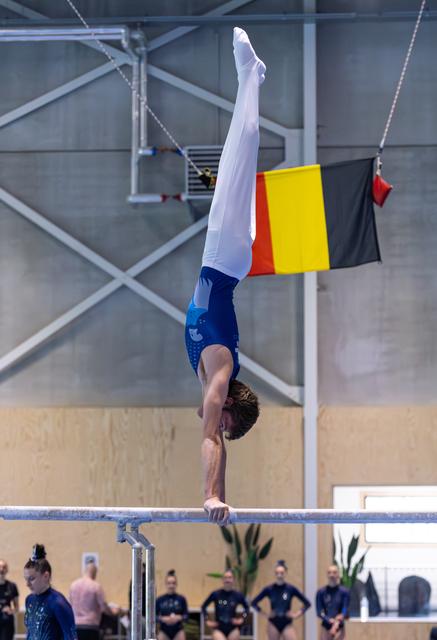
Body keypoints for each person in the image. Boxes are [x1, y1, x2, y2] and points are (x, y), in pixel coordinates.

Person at [184, 27, 266, 525]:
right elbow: (211, 435)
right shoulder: (219, 370)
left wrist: (223, 493)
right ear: (231, 400)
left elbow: (215, 432)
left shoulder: (213, 379)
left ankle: (251, 79)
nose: (222, 427)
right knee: (241, 149)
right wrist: (210, 496)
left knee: (243, 155)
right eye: (230, 422)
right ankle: (250, 75)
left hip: (228, 258)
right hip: (225, 258)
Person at [24, 544, 77, 640]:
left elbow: (71, 636)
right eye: (26, 579)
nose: (27, 584)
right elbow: (29, 633)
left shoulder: (58, 602)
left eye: (31, 579)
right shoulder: (29, 600)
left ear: (46, 576)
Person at [251, 560, 311, 640]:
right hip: (273, 622)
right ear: (275, 574)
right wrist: (266, 614)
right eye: (277, 573)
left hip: (287, 622)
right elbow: (253, 603)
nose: (279, 575)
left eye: (282, 573)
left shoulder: (291, 589)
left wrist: (296, 615)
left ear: (285, 573)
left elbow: (307, 604)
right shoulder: (269, 589)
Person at [70, 559, 115, 640]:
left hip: (76, 626)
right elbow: (104, 608)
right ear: (95, 573)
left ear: (85, 571)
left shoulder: (73, 585)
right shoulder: (96, 586)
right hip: (91, 627)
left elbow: (70, 605)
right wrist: (113, 612)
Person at [201, 570, 249, 640]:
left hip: (233, 629)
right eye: (225, 578)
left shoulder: (238, 595)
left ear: (233, 580)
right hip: (219, 628)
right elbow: (203, 607)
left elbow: (247, 608)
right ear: (222, 580)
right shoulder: (216, 594)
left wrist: (242, 618)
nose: (227, 580)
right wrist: (207, 620)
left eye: (230, 577)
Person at [316, 565, 349, 640]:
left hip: (339, 625)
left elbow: (345, 608)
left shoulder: (344, 592)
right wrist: (329, 620)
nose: (332, 575)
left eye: (334, 572)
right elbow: (319, 612)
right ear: (327, 575)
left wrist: (340, 618)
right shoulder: (321, 592)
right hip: (326, 625)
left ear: (338, 574)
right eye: (329, 572)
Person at [156, 570, 188, 640]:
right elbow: (154, 618)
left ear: (176, 584)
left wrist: (179, 617)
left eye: (173, 583)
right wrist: (163, 619)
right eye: (169, 583)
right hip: (164, 631)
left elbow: (186, 617)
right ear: (166, 584)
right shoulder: (160, 599)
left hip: (178, 631)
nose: (171, 585)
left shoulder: (181, 599)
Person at [0, 559, 19, 640]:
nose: (1, 569)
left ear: (6, 570)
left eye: (4, 567)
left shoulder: (12, 586)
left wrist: (11, 610)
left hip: (7, 624)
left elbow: (16, 607)